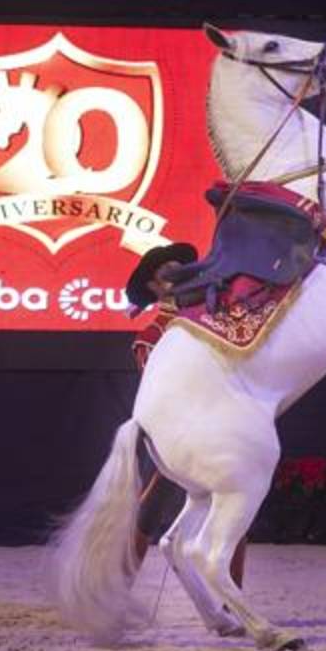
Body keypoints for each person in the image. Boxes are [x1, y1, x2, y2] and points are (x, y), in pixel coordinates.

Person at [126, 243, 248, 587]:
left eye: (182, 271)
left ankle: (233, 596)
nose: (177, 278)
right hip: (175, 432)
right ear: (153, 286)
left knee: (238, 503)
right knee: (151, 508)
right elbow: (160, 389)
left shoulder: (211, 320)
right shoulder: (152, 333)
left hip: (218, 423)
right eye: (167, 274)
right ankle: (121, 587)